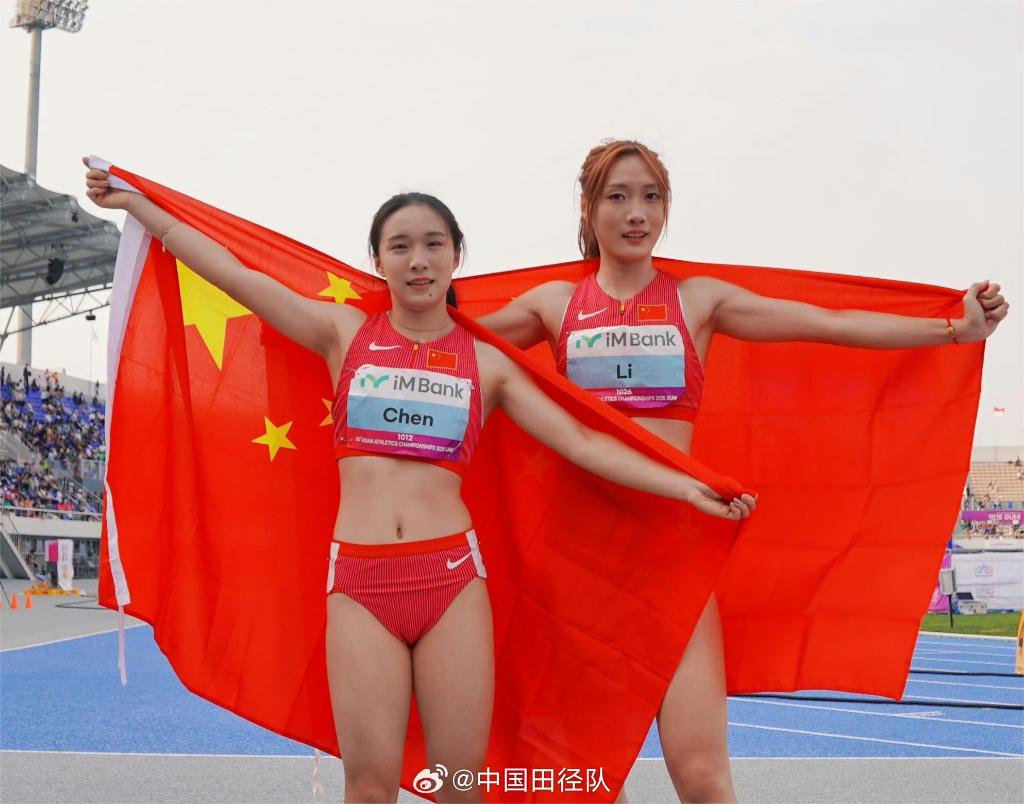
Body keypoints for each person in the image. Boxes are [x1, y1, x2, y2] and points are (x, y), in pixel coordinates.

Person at [84, 160, 755, 803]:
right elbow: (235, 275)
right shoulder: (343, 334)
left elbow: (583, 442)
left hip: (453, 583)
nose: (418, 260)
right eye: (399, 246)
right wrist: (141, 208)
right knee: (368, 789)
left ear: (457, 255)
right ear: (378, 261)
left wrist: (687, 485)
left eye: (434, 244)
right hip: (360, 583)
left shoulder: (487, 364)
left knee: (459, 789)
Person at [478, 139, 1010, 802]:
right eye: (618, 196)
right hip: (579, 564)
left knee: (703, 776)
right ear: (588, 208)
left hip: (673, 559)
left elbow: (827, 322)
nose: (636, 212)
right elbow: (443, 348)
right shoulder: (552, 306)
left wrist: (954, 330)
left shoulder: (698, 302)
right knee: (579, 778)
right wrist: (360, 314)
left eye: (651, 197)